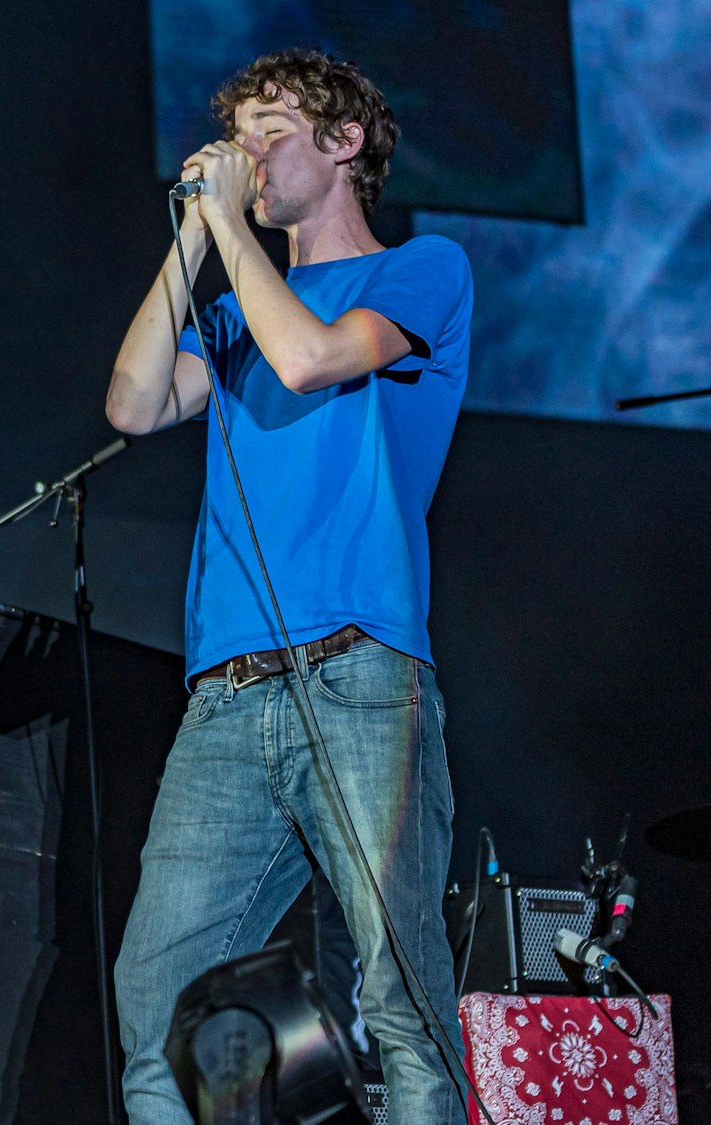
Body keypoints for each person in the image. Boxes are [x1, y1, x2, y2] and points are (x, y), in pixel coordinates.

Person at [104, 48, 473, 1123]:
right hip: (225, 697)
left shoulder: (421, 268)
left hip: (360, 675)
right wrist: (193, 232)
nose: (247, 156)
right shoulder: (230, 318)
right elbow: (131, 405)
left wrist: (227, 226)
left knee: (399, 995)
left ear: (344, 141)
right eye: (238, 138)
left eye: (270, 131)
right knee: (158, 1004)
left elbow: (311, 358)